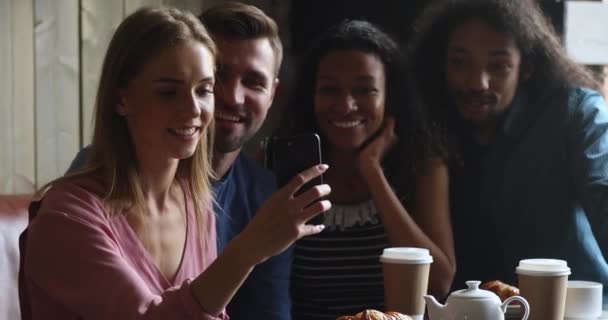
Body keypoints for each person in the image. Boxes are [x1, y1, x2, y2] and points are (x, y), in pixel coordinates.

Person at [21, 6, 330, 319]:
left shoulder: (196, 203)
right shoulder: (66, 216)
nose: (194, 108)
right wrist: (248, 249)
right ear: (121, 98)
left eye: (204, 90)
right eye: (169, 92)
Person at [409, 0, 608, 296]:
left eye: (498, 66)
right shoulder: (428, 124)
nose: (477, 83)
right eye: (460, 63)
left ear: (526, 67)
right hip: (471, 310)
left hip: (575, 307)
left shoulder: (575, 113)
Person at [280, 20, 455, 319]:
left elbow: (439, 282)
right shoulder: (281, 168)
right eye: (329, 89)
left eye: (365, 90)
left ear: (389, 97)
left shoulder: (423, 165)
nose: (346, 105)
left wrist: (373, 172)